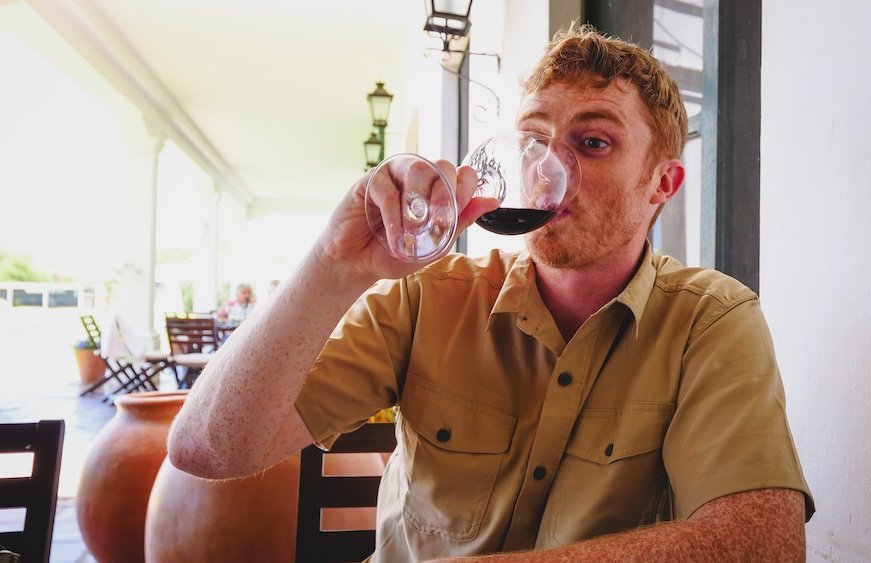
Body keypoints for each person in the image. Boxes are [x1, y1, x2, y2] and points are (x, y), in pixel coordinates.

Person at [169, 25, 814, 561]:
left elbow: (763, 546)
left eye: (592, 142)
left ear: (662, 183)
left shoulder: (709, 319)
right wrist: (335, 265)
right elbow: (208, 448)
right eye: (533, 140)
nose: (545, 168)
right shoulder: (429, 296)